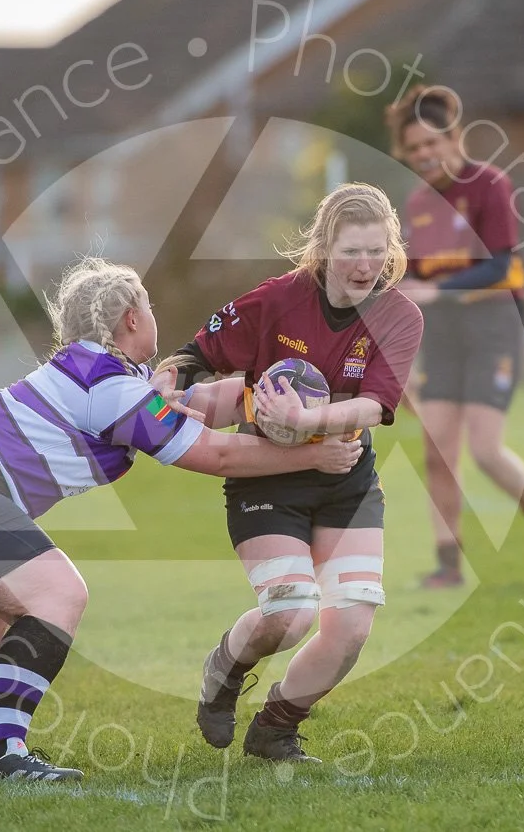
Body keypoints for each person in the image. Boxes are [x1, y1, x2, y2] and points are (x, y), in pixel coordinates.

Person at [0, 257, 363, 781]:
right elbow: (218, 455)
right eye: (149, 306)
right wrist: (313, 455)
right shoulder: (109, 387)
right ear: (132, 318)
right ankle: (3, 755)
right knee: (58, 593)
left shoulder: (108, 376)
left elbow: (203, 402)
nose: (155, 315)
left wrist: (280, 399)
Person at [158, 183, 424, 763]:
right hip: (267, 481)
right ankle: (227, 667)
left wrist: (308, 420)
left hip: (346, 480)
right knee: (290, 612)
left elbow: (373, 406)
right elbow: (196, 354)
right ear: (324, 247)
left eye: (377, 250)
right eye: (351, 251)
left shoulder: (399, 316)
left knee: (350, 629)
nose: (365, 265)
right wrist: (167, 381)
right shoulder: (278, 299)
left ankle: (276, 727)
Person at [384, 85, 524, 588]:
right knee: (437, 450)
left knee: (485, 449)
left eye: (431, 143)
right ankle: (448, 565)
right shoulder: (417, 203)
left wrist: (437, 290)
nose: (424, 155)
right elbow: (413, 280)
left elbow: (500, 266)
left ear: (454, 139)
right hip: (443, 336)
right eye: (414, 148)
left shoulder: (490, 185)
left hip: (493, 326)